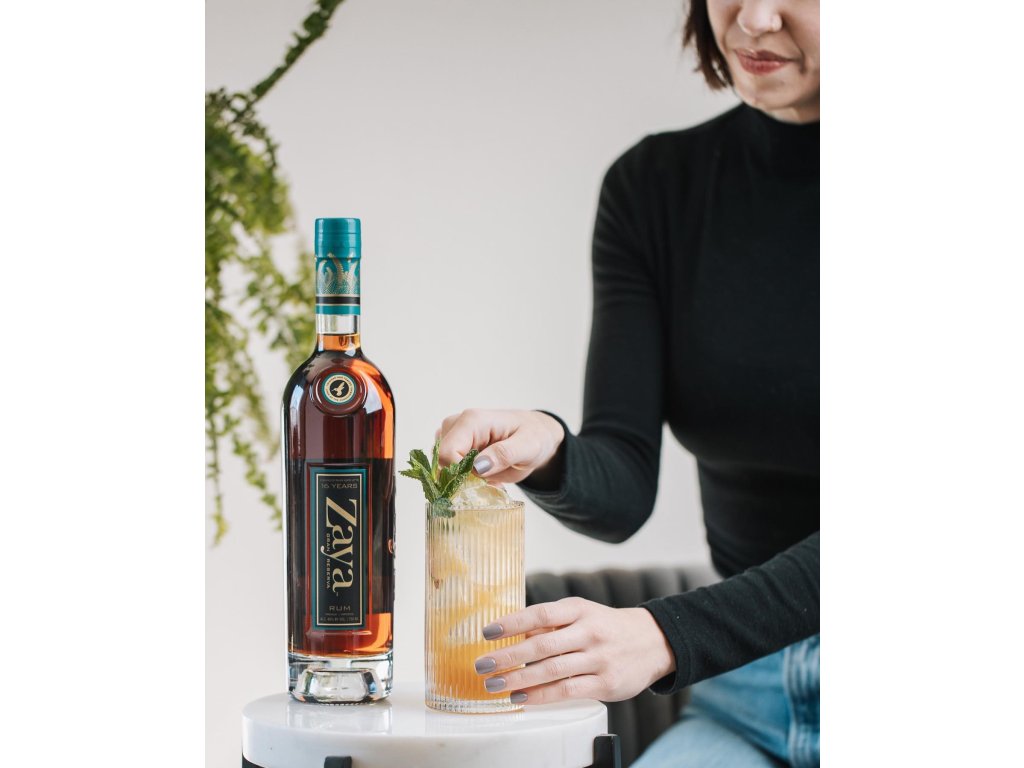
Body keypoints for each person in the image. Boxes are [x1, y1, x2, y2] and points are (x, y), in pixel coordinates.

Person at [437, 0, 819, 764]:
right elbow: (622, 488)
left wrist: (668, 634)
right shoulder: (657, 187)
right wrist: (553, 452)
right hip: (745, 693)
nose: (755, 19)